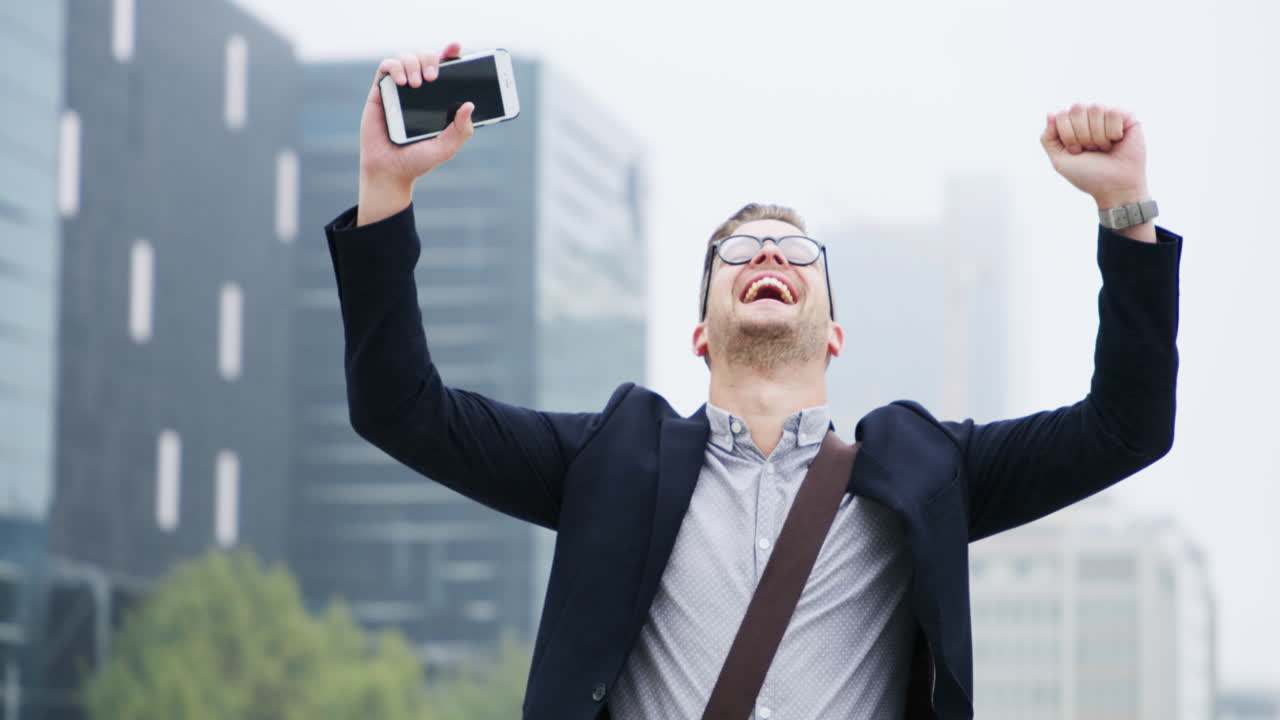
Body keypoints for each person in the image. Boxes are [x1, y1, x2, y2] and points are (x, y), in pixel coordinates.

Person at [325, 43, 1181, 720]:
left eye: (796, 252)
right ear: (701, 332)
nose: (768, 254)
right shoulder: (609, 459)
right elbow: (402, 409)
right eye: (738, 252)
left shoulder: (928, 472)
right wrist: (385, 186)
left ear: (834, 332)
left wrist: (1125, 207)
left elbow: (1126, 428)